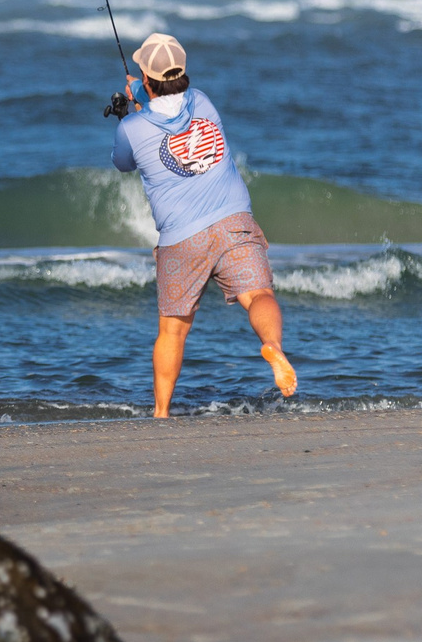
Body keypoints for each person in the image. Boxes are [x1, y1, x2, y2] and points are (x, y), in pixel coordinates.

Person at [109, 31, 296, 415]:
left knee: (173, 329)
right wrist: (142, 95)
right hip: (233, 219)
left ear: (146, 78)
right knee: (259, 296)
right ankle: (273, 347)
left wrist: (132, 109)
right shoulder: (203, 102)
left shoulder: (132, 129)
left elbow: (123, 162)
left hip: (182, 237)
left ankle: (161, 413)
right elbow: (171, 103)